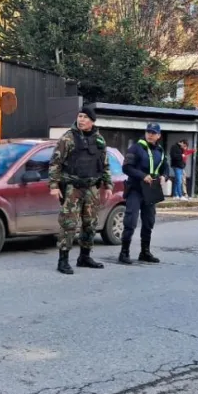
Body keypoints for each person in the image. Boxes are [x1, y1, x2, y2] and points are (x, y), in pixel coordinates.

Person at [48, 104, 112, 275]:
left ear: (92, 121)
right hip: (73, 188)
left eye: (85, 117)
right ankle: (63, 260)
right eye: (80, 116)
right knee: (68, 224)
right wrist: (54, 185)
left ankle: (84, 257)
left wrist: (108, 185)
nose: (81, 120)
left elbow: (105, 164)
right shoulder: (67, 138)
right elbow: (55, 163)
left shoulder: (99, 139)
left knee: (90, 224)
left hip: (92, 188)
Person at [119, 122, 169, 265]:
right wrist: (142, 176)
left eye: (153, 133)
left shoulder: (160, 151)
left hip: (151, 191)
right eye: (148, 132)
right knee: (130, 221)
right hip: (135, 189)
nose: (150, 135)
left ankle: (145, 252)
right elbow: (126, 168)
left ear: (158, 135)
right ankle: (124, 253)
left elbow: (166, 168)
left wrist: (164, 177)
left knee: (148, 222)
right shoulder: (136, 148)